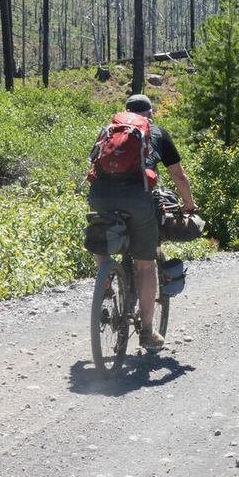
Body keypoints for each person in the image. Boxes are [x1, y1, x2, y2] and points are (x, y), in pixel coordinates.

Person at [87, 92, 196, 347]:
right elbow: (179, 176)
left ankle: (105, 281)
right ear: (150, 114)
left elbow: (93, 166)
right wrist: (188, 203)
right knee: (145, 265)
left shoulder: (108, 131)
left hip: (100, 196)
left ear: (125, 112)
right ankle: (147, 331)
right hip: (137, 199)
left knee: (102, 240)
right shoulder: (156, 132)